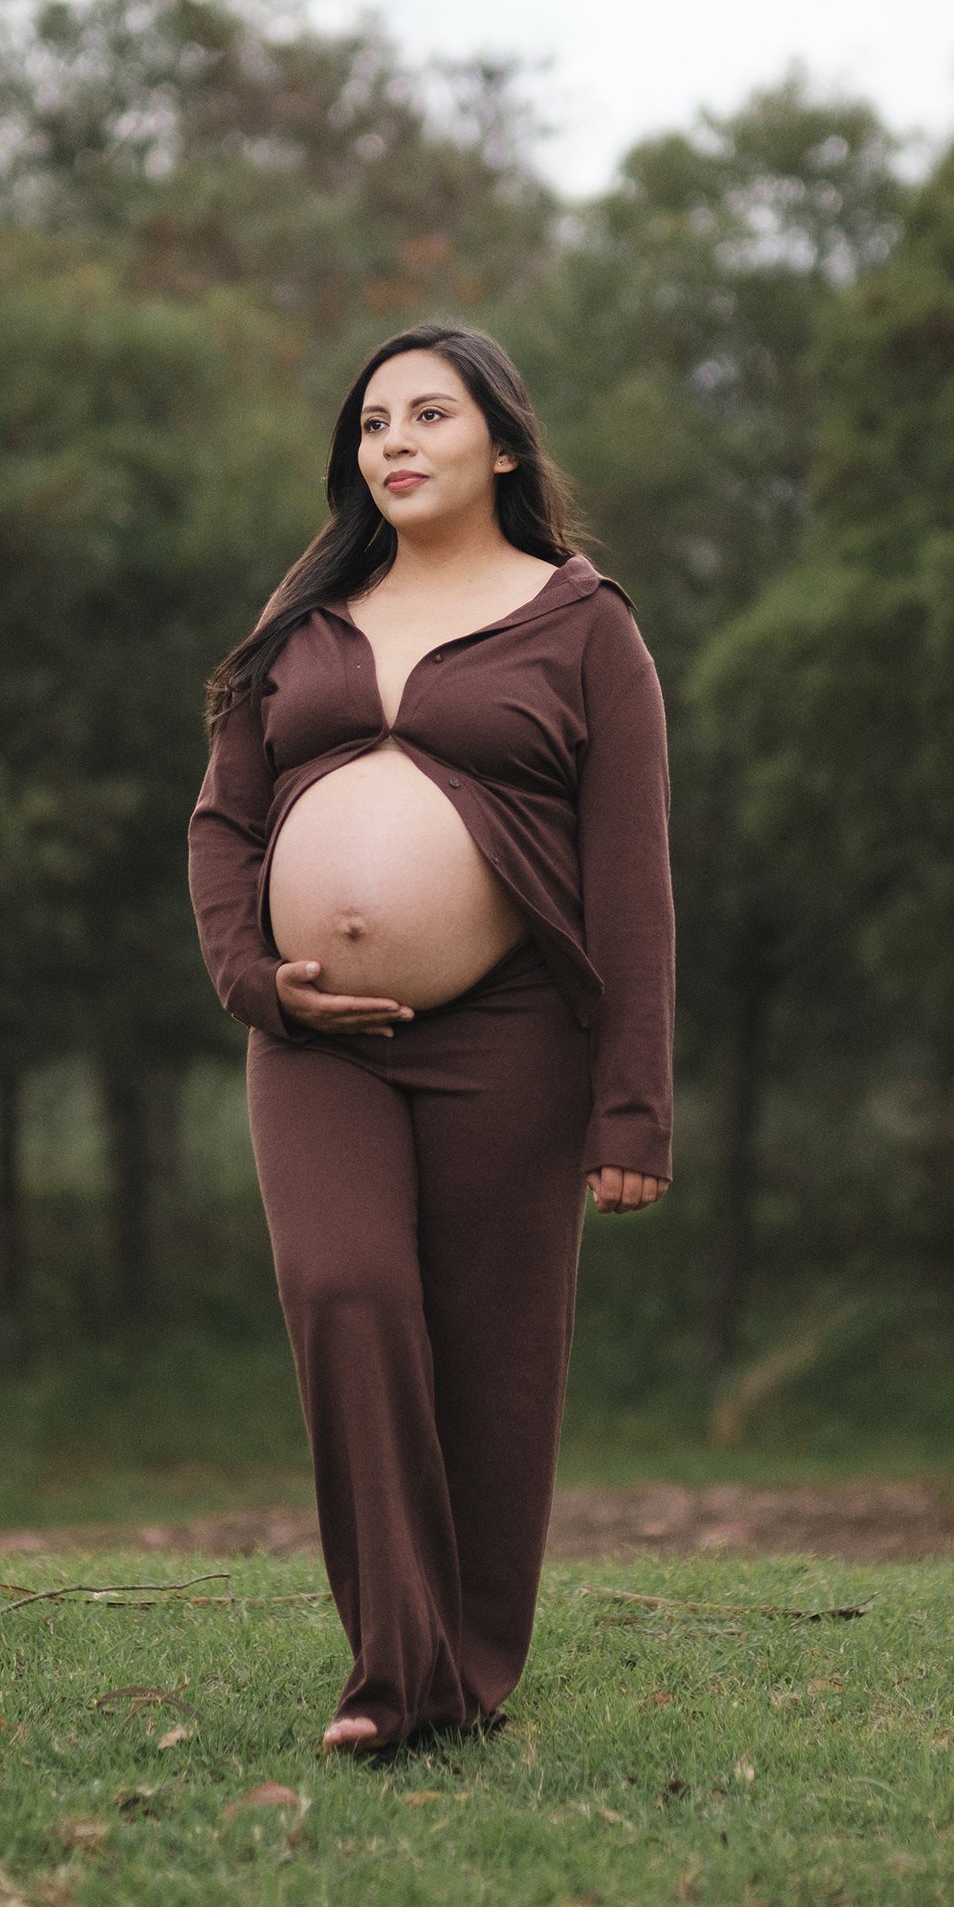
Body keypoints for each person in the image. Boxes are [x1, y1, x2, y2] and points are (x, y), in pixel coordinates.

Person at [186, 322, 675, 1755]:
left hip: (511, 1033)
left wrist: (632, 1107)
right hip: (314, 1039)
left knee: (493, 1354)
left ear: (504, 446)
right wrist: (252, 976)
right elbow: (223, 819)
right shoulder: (311, 604)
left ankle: (463, 1671)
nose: (392, 442)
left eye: (428, 416)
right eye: (371, 423)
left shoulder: (586, 623)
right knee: (345, 1290)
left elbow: (632, 873)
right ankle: (394, 1673)